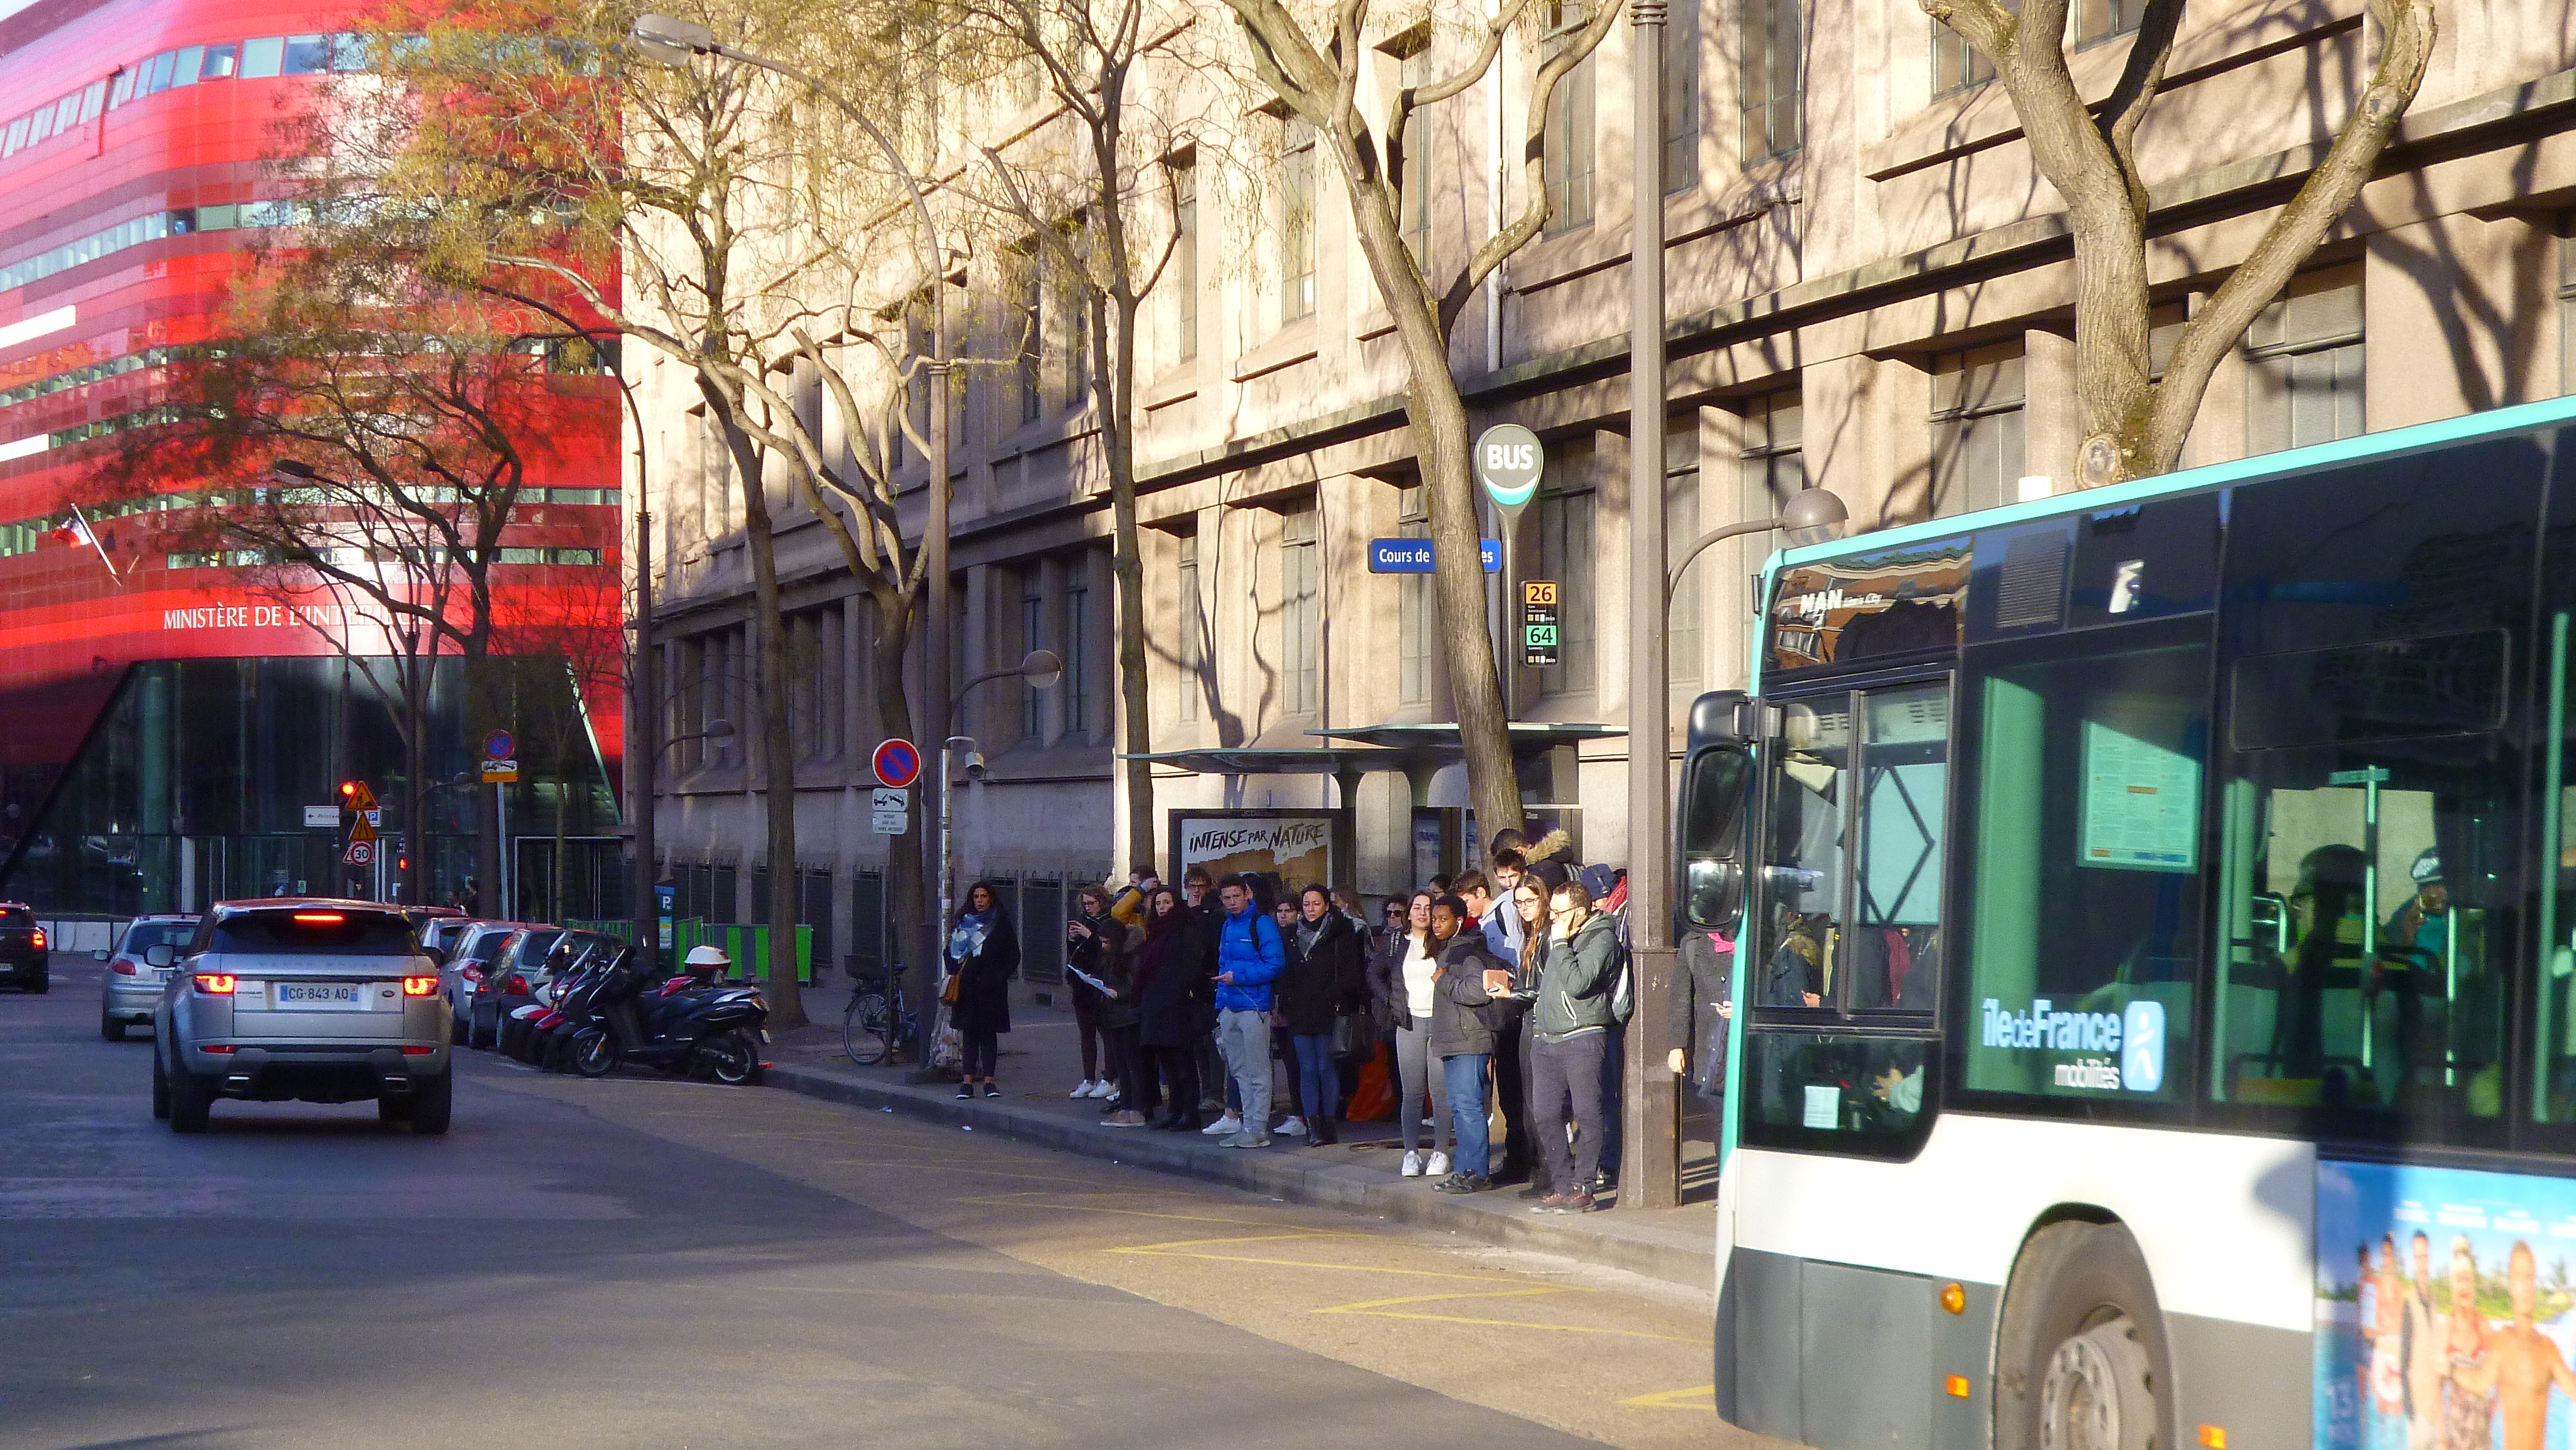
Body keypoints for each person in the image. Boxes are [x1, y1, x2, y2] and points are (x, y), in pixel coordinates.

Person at [1525, 878, 1620, 1212]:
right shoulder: (1559, 936)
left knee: (1587, 1113)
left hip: (1583, 1036)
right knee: (1546, 1114)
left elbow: (1579, 983)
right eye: (1551, 911)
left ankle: (1584, 1186)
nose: (1553, 918)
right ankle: (1562, 1183)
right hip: (1548, 1038)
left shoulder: (1602, 938)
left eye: (1559, 912)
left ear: (1580, 911)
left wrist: (1563, 943)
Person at [2452, 1241, 2576, 1450]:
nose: (2526, 1286)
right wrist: (2451, 1369)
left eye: (2530, 1277)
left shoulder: (2548, 1350)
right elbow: (2480, 1383)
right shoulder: (2501, 1343)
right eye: (2519, 1277)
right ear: (2511, 1285)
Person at [1366, 890, 1452, 1177]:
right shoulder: (1395, 942)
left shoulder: (1443, 942)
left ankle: (1441, 1151)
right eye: (1417, 907)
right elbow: (1374, 973)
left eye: (1428, 908)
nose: (1423, 913)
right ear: (1409, 912)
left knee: (1440, 1092)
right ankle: (1411, 1153)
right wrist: (1390, 1000)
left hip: (1440, 1021)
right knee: (1412, 1092)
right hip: (1409, 1022)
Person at [1427, 894, 1510, 1194]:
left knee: (1469, 1107)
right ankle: (1464, 1170)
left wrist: (1443, 981)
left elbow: (1478, 991)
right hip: (1454, 1039)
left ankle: (1475, 1171)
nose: (1435, 925)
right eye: (1434, 919)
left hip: (1469, 1039)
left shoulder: (1468, 952)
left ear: (1459, 921)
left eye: (1443, 919)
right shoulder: (1451, 949)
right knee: (1460, 1108)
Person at [1452, 869, 1531, 1184]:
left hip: (1510, 1008)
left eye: (1466, 900)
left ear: (1480, 893)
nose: (1464, 909)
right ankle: (1518, 1157)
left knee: (1515, 1090)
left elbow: (1511, 963)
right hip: (1505, 1008)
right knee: (1509, 1091)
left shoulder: (1502, 915)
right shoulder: (1489, 921)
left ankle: (1522, 1159)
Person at [1278, 883, 1364, 1147]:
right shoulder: (1292, 934)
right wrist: (1287, 1000)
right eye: (1307, 904)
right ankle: (1312, 1126)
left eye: (1317, 904)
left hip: (1331, 1010)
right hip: (1301, 1011)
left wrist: (1330, 995)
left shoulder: (1342, 932)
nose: (1311, 909)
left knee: (1325, 1067)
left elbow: (1353, 974)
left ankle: (1328, 1124)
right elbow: (1286, 973)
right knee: (1306, 1069)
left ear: (1327, 905)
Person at [1209, 875, 1285, 1149]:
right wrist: (1221, 1003)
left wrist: (1237, 976)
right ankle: (1248, 1126)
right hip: (1231, 1004)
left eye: (1235, 897)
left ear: (1247, 895)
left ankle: (1258, 1129)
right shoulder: (1228, 925)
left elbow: (1275, 964)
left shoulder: (1262, 924)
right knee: (1239, 1069)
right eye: (1226, 898)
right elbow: (1222, 964)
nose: (1231, 902)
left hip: (1253, 1006)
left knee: (1257, 1070)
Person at [1070, 885, 1150, 1126]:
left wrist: (1118, 993)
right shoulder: (1108, 956)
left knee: (1133, 1064)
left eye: (1106, 942)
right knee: (1123, 1065)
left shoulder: (1131, 956)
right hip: (1114, 1014)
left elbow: (1135, 986)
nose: (1104, 946)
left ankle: (1138, 1108)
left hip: (1128, 1015)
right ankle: (1126, 1106)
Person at [1136, 886, 1208, 1131]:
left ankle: (1190, 1112)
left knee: (1183, 1063)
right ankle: (1174, 1110)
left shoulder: (1186, 931)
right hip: (1155, 1005)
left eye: (1167, 903)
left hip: (1177, 1005)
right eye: (1158, 904)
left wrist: (1175, 991)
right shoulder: (1154, 933)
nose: (1162, 908)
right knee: (1167, 1062)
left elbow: (1192, 967)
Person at [946, 882, 1018, 1099]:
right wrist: (955, 970)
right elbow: (950, 951)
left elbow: (1013, 955)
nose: (980, 900)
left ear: (991, 899)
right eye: (976, 896)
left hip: (991, 988)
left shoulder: (1000, 924)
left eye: (984, 896)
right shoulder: (963, 922)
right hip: (967, 988)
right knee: (970, 1035)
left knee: (988, 1035)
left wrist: (998, 976)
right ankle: (966, 1083)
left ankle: (989, 1082)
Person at [1670, 924, 1735, 1106]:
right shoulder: (1693, 944)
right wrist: (1677, 1046)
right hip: (1709, 1048)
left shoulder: (1761, 942)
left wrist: (1742, 1011)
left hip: (1748, 1050)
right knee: (1717, 1114)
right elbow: (1680, 999)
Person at [1182, 865, 1228, 1116]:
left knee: (1212, 1041)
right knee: (1199, 1041)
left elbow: (1208, 941)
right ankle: (1205, 1089)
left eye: (1202, 886)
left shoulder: (1213, 912)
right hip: (1194, 983)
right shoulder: (1188, 910)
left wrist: (1198, 911)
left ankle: (1214, 1093)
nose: (1197, 891)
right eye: (1193, 886)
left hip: (1211, 980)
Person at [2440, 1237, 2493, 1450]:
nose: (2464, 1286)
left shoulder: (2484, 1326)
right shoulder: (2447, 1328)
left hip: (2481, 1431)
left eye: (2468, 1279)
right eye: (2459, 1280)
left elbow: (2500, 1370)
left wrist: (2493, 1407)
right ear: (2453, 1286)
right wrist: (2441, 1438)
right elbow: (2437, 1389)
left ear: (2474, 1284)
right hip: (2455, 1431)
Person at [2404, 1231, 2447, 1450]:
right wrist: (2410, 1413)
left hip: (2435, 1409)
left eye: (2425, 1256)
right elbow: (2404, 1361)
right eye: (2418, 1257)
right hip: (2419, 1410)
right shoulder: (2409, 1303)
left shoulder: (2435, 1301)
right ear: (2413, 1260)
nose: (2422, 1262)